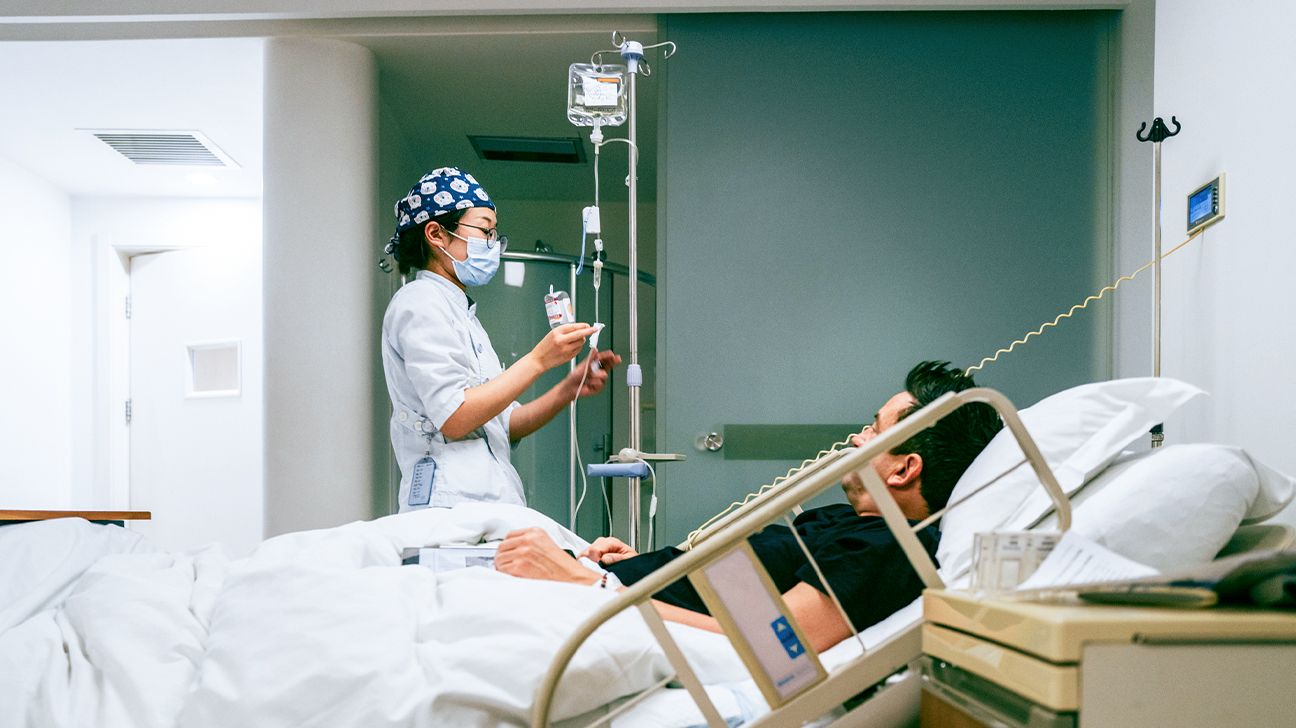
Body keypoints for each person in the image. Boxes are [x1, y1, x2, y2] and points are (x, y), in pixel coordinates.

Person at [494, 361, 1002, 651]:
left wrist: (595, 587)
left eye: (875, 429)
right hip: (613, 594)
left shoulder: (882, 547)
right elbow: (745, 598)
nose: (856, 437)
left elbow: (772, 648)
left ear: (903, 468)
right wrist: (649, 569)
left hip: (600, 613)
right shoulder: (853, 522)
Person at [381, 167, 621, 512]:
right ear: (436, 233)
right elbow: (455, 417)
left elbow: (506, 424)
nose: (492, 245)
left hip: (487, 501)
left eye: (495, 235)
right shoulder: (419, 302)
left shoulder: (463, 317)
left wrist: (568, 388)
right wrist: (539, 359)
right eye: (484, 230)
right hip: (449, 507)